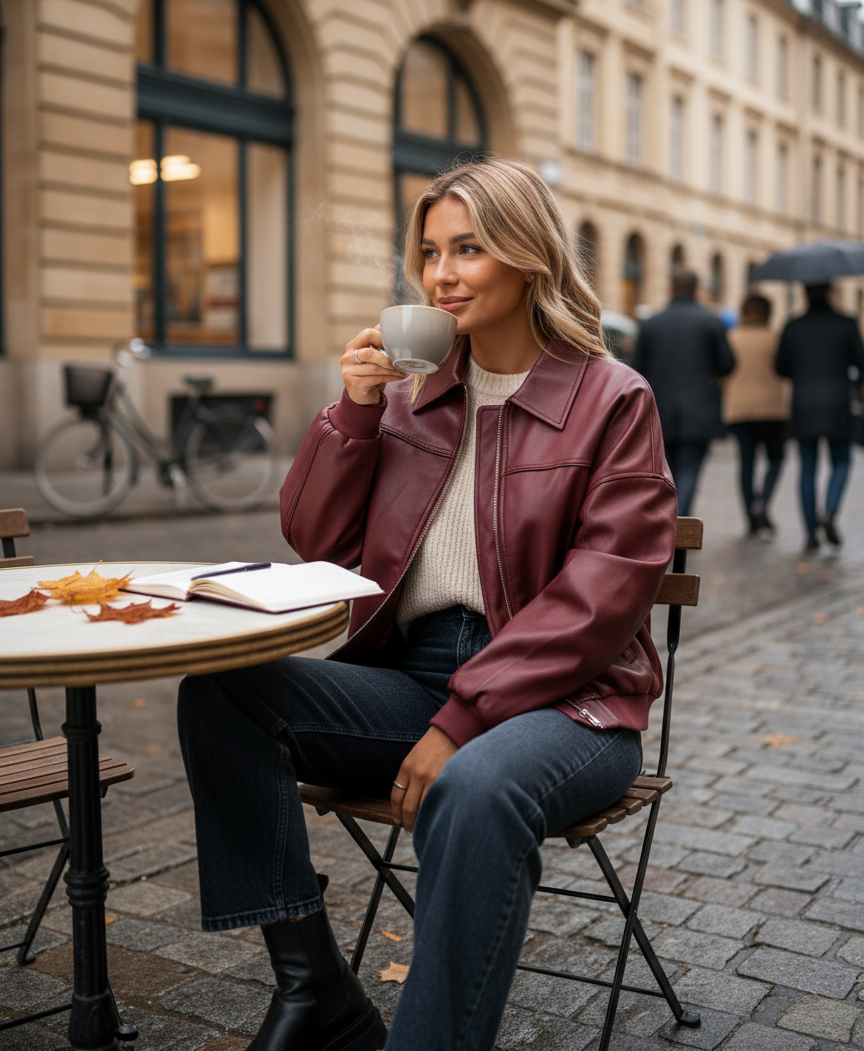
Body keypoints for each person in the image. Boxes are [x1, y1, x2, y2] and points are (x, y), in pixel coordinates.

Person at [176, 158, 678, 1051]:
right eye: (431, 252)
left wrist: (466, 716)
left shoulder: (612, 399)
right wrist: (354, 415)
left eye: (469, 249)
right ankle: (315, 992)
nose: (441, 274)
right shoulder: (412, 395)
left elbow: (602, 595)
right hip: (414, 682)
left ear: (529, 258)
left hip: (571, 705)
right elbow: (318, 544)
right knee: (223, 689)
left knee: (479, 791)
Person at [632, 268, 735, 515]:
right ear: (697, 289)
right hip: (700, 411)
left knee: (662, 472)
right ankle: (678, 526)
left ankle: (664, 523)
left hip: (659, 411)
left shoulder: (651, 324)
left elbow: (635, 369)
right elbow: (727, 363)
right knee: (689, 470)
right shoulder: (711, 322)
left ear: (670, 287)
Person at [775, 283, 864, 550]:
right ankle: (830, 510)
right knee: (842, 462)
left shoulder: (793, 326)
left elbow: (780, 367)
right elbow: (861, 363)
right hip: (838, 403)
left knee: (807, 468)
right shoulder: (846, 324)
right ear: (829, 293)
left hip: (804, 404)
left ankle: (811, 533)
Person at [723, 294, 789, 536]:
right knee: (776, 459)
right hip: (772, 408)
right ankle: (762, 502)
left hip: (739, 408)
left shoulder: (732, 338)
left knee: (747, 463)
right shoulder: (775, 339)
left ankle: (751, 517)